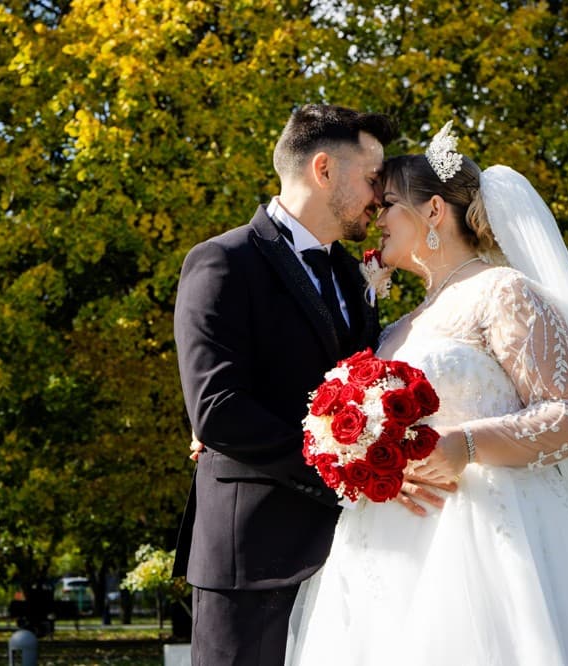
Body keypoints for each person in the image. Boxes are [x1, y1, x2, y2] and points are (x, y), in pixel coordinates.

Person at [285, 124, 568, 665]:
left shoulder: (504, 292)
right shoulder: (395, 327)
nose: (376, 219)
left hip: (492, 534)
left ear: (432, 211)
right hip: (390, 546)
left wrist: (466, 445)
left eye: (389, 205)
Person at [174, 104, 424, 666]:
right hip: (252, 557)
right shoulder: (222, 262)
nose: (380, 196)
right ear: (323, 170)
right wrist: (348, 470)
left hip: (352, 554)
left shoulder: (347, 272)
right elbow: (217, 409)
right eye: (371, 177)